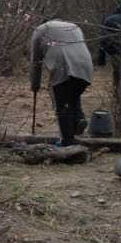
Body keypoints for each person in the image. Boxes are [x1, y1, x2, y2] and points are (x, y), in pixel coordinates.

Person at [30, 17, 94, 146]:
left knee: (62, 105)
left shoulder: (40, 30)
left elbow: (35, 62)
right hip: (85, 66)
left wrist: (34, 84)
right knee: (72, 93)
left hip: (63, 66)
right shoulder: (74, 26)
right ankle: (78, 118)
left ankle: (68, 142)